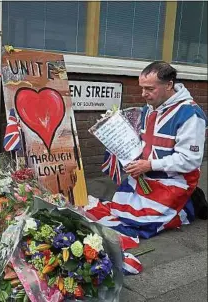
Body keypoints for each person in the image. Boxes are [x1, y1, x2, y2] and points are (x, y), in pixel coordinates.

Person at [85, 61, 207, 244]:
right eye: (142, 88)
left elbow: (190, 160)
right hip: (146, 176)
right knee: (118, 210)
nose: (143, 94)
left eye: (149, 88)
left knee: (139, 223)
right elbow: (143, 142)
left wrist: (149, 164)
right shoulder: (149, 109)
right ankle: (186, 203)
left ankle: (189, 204)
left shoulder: (190, 114)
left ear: (169, 85)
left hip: (173, 180)